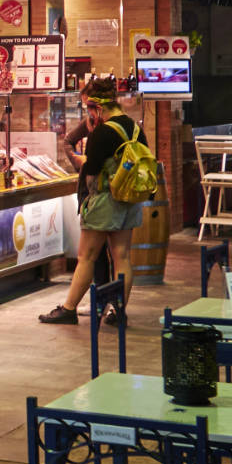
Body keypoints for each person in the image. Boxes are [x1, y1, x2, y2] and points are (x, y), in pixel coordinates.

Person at [38, 77, 142, 326]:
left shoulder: (103, 132)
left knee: (87, 256)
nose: (88, 113)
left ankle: (69, 308)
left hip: (105, 200)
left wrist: (83, 160)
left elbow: (92, 168)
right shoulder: (133, 127)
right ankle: (118, 311)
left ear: (97, 106)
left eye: (88, 107)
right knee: (122, 256)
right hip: (129, 198)